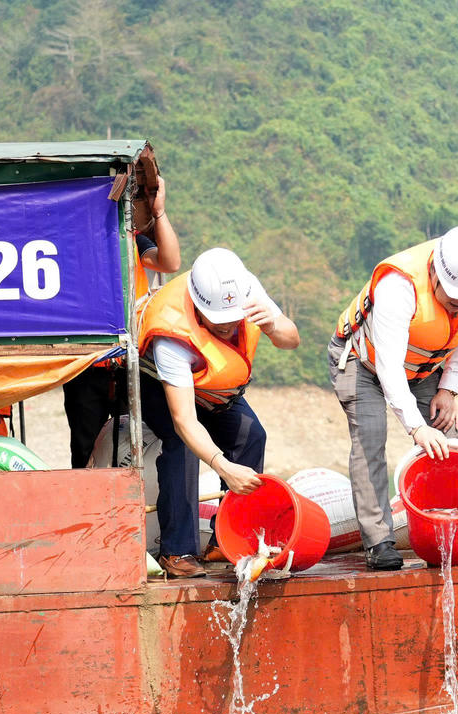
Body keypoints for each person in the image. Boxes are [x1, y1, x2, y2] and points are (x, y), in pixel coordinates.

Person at [328, 225, 458, 571]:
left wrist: (449, 389)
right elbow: (387, 367)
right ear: (433, 271)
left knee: (446, 438)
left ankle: (453, 536)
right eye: (452, 298)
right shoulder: (398, 287)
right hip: (364, 363)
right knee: (371, 438)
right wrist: (417, 429)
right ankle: (379, 542)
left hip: (422, 368)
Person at [138, 248, 299, 578]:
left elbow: (291, 339)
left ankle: (228, 538)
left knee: (252, 435)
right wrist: (223, 467)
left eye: (232, 318)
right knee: (180, 445)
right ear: (198, 309)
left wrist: (271, 324)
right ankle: (177, 550)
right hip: (160, 385)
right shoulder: (172, 335)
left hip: (214, 386)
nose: (228, 326)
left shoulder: (246, 291)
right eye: (219, 320)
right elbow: (184, 420)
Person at [64, 171, 181, 468]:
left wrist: (159, 213)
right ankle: (87, 507)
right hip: (86, 362)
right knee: (84, 448)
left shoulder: (132, 241)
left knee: (134, 444)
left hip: (129, 361)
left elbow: (170, 262)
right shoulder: (69, 242)